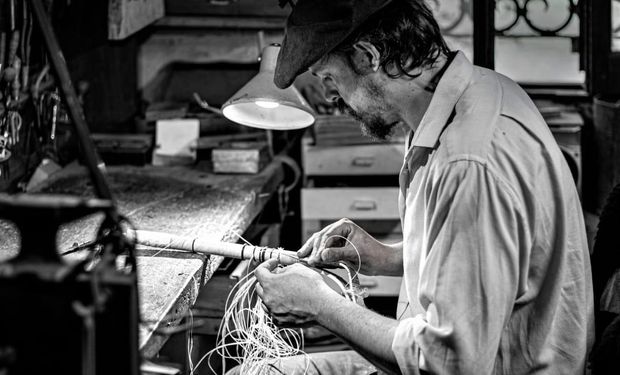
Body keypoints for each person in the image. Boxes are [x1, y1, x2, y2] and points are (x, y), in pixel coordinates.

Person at [245, 0, 594, 373]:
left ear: (367, 57)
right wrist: (385, 256)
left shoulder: (468, 163)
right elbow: (484, 258)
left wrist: (321, 306)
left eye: (328, 77)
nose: (331, 95)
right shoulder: (479, 91)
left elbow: (450, 363)